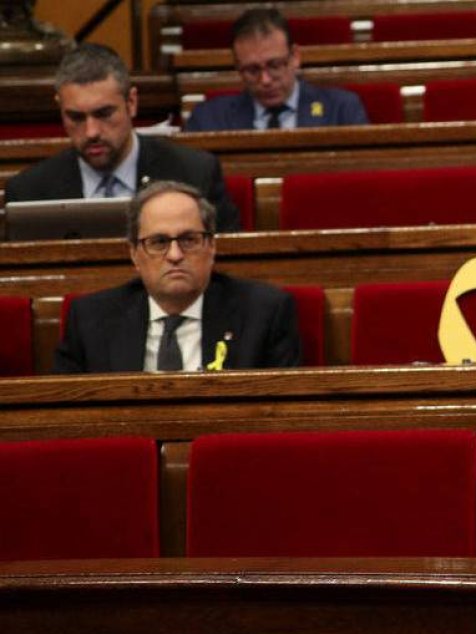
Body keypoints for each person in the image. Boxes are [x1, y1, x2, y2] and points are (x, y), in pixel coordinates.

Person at [54, 181, 302, 374]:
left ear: (211, 246)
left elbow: (281, 416)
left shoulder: (264, 312)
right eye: (159, 242)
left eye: (188, 240)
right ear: (134, 254)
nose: (175, 255)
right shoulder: (91, 319)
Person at [6, 44, 241, 232]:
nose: (92, 132)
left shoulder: (193, 174)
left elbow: (227, 268)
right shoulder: (29, 192)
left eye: (104, 114)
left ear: (131, 102)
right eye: (76, 117)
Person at [185, 8, 369, 131]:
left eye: (274, 66)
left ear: (295, 57)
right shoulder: (209, 120)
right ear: (237, 67)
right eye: (252, 70)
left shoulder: (341, 110)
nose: (265, 80)